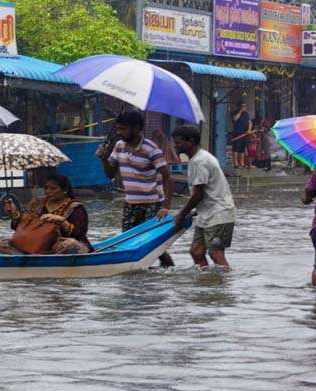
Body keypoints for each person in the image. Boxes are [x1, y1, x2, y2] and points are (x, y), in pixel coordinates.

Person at [100, 109, 175, 267]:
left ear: (136, 128)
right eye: (118, 128)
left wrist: (166, 207)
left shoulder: (150, 148)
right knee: (128, 243)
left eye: (124, 129)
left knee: (153, 245)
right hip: (130, 204)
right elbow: (110, 175)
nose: (120, 132)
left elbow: (167, 177)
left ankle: (169, 272)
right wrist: (104, 159)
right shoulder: (119, 146)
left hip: (151, 204)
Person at [171, 125, 236, 268]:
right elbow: (205, 191)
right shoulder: (197, 159)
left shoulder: (200, 161)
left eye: (179, 142)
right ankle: (207, 284)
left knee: (215, 253)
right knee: (196, 252)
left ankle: (224, 285)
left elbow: (198, 194)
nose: (175, 146)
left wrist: (182, 214)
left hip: (219, 213)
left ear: (191, 141)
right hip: (206, 213)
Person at [0, 174, 91, 255]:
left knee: (69, 245)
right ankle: (28, 258)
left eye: (53, 188)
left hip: (58, 245)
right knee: (4, 244)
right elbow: (23, 227)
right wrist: (14, 213)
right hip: (37, 243)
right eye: (46, 188)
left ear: (65, 190)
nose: (48, 191)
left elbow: (80, 234)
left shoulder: (75, 207)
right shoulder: (37, 203)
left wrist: (62, 221)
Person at [230, 101, 252, 169]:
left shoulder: (246, 114)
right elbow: (235, 119)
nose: (244, 108)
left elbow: (250, 122)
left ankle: (241, 163)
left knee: (242, 149)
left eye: (244, 106)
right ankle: (235, 163)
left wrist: (249, 130)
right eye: (242, 106)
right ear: (239, 107)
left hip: (244, 133)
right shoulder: (235, 112)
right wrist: (240, 112)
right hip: (237, 133)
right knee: (236, 148)